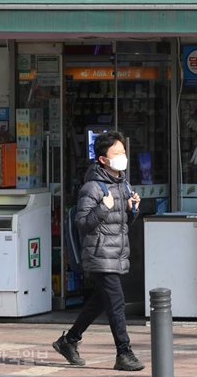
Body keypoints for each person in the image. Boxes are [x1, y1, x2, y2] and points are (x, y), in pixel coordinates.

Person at [52, 131, 144, 372]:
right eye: (116, 154)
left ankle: (68, 341)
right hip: (99, 253)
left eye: (123, 152)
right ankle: (124, 352)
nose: (122, 157)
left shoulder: (122, 183)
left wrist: (132, 209)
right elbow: (82, 223)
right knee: (116, 304)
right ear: (103, 159)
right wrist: (104, 207)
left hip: (116, 252)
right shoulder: (93, 187)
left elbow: (122, 222)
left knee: (100, 302)